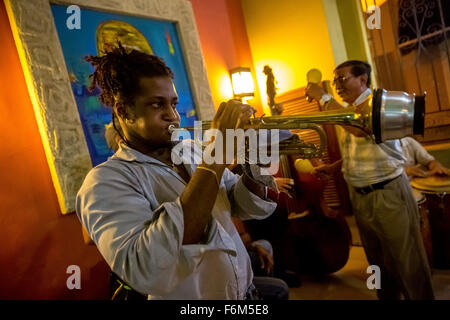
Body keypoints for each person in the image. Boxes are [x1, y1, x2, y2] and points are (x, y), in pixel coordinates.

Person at [76, 44, 277, 300]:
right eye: (157, 105)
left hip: (246, 294)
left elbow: (248, 206)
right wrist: (218, 154)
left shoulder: (192, 151)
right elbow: (146, 268)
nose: (173, 117)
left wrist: (256, 156)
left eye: (173, 104)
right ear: (124, 111)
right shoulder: (105, 181)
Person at [306, 60, 434, 300]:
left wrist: (324, 97)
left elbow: (359, 127)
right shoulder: (348, 110)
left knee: (408, 262)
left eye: (342, 79)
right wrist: (334, 168)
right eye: (334, 81)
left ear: (363, 79)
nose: (337, 85)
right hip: (360, 194)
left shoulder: (381, 103)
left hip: (388, 194)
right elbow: (359, 151)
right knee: (377, 262)